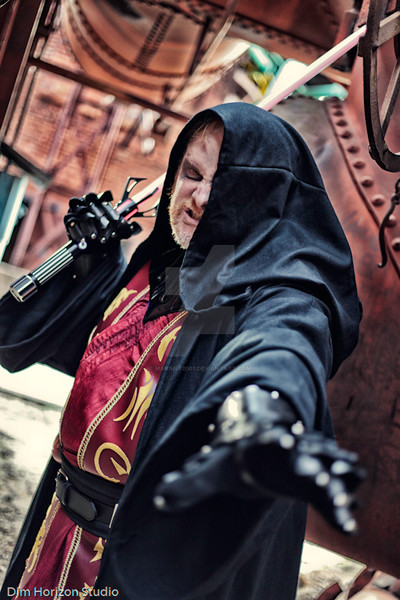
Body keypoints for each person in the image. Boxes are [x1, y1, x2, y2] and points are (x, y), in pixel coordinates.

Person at [0, 102, 363, 600]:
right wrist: (90, 264)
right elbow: (117, 360)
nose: (200, 197)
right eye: (192, 173)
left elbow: (276, 342)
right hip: (57, 538)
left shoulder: (274, 300)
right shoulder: (172, 275)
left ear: (262, 198)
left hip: (137, 567)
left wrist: (271, 389)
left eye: (225, 182)